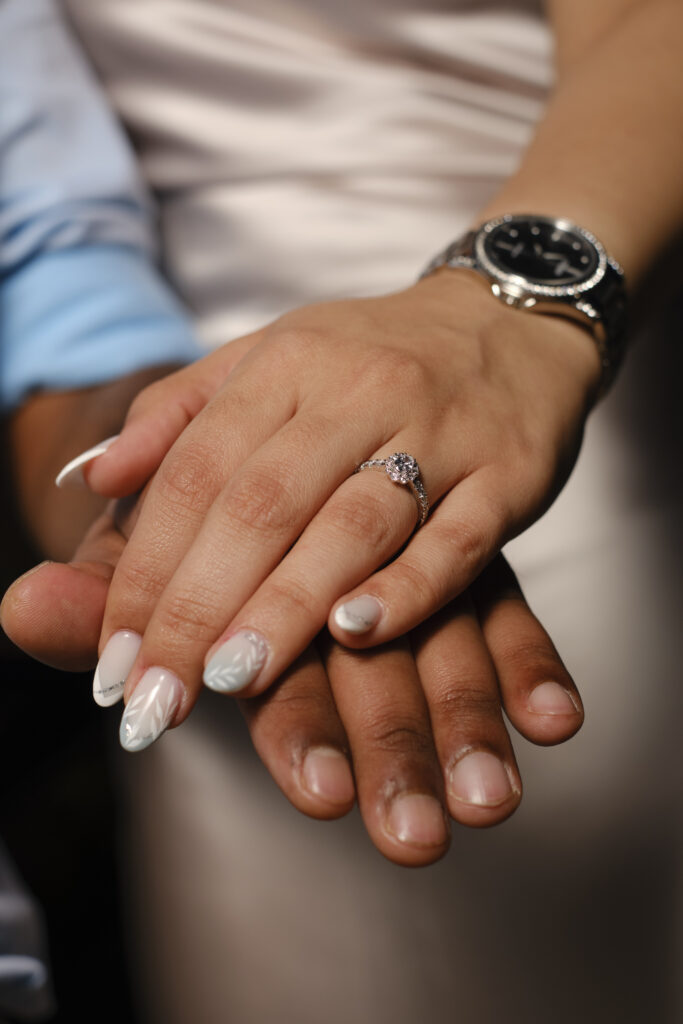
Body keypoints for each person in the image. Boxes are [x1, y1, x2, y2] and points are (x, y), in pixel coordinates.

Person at [2, 0, 682, 1021]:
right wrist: (162, 473)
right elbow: (50, 256)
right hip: (238, 532)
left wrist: (500, 309)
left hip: (562, 340)